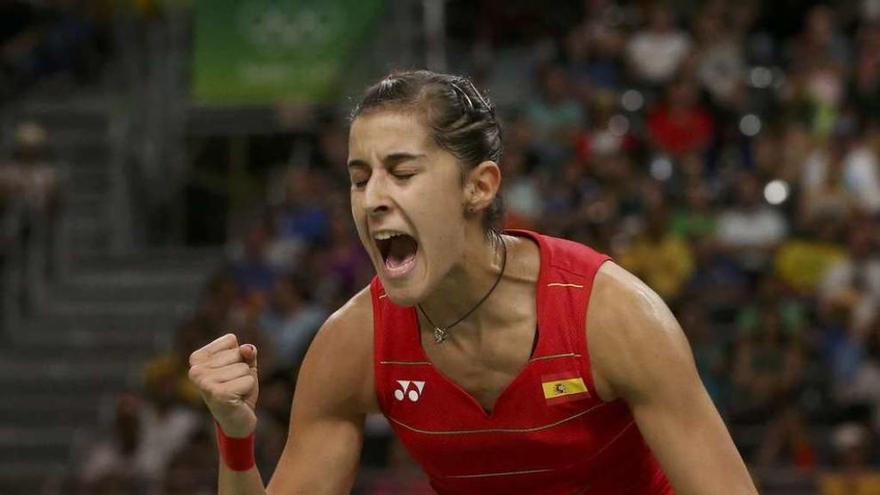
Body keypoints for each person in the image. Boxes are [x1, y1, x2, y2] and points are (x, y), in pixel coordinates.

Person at [188, 70, 757, 494]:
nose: (373, 200)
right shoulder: (355, 344)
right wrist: (236, 436)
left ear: (479, 187)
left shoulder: (611, 316)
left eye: (402, 173)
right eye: (359, 180)